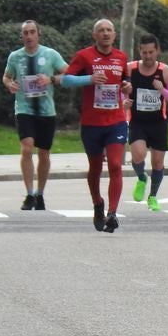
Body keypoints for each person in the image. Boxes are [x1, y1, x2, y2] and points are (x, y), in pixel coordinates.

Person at [60, 19, 130, 232]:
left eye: (109, 30)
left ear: (114, 34)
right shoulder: (84, 56)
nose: (106, 33)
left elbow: (125, 82)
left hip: (116, 120)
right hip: (92, 123)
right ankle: (98, 203)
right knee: (96, 168)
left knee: (116, 165)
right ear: (95, 35)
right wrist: (89, 79)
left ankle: (112, 213)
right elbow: (65, 80)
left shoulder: (121, 57)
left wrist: (127, 86)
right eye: (101, 30)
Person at [2, 20, 67, 211]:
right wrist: (9, 84)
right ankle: (29, 194)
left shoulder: (50, 54)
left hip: (46, 111)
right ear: (21, 36)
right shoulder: (15, 57)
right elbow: (6, 76)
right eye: (25, 33)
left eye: (32, 32)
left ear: (38, 34)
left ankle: (40, 194)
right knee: (27, 148)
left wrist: (51, 79)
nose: (29, 36)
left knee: (44, 153)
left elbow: (69, 73)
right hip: (24, 109)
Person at [127, 34, 168, 212]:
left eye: (151, 52)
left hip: (158, 123)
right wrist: (123, 101)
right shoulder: (131, 69)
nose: (148, 56)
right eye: (144, 52)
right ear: (139, 52)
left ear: (157, 51)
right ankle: (141, 177)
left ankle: (152, 197)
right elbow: (119, 90)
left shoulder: (165, 71)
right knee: (138, 154)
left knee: (157, 163)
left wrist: (162, 89)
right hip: (137, 121)